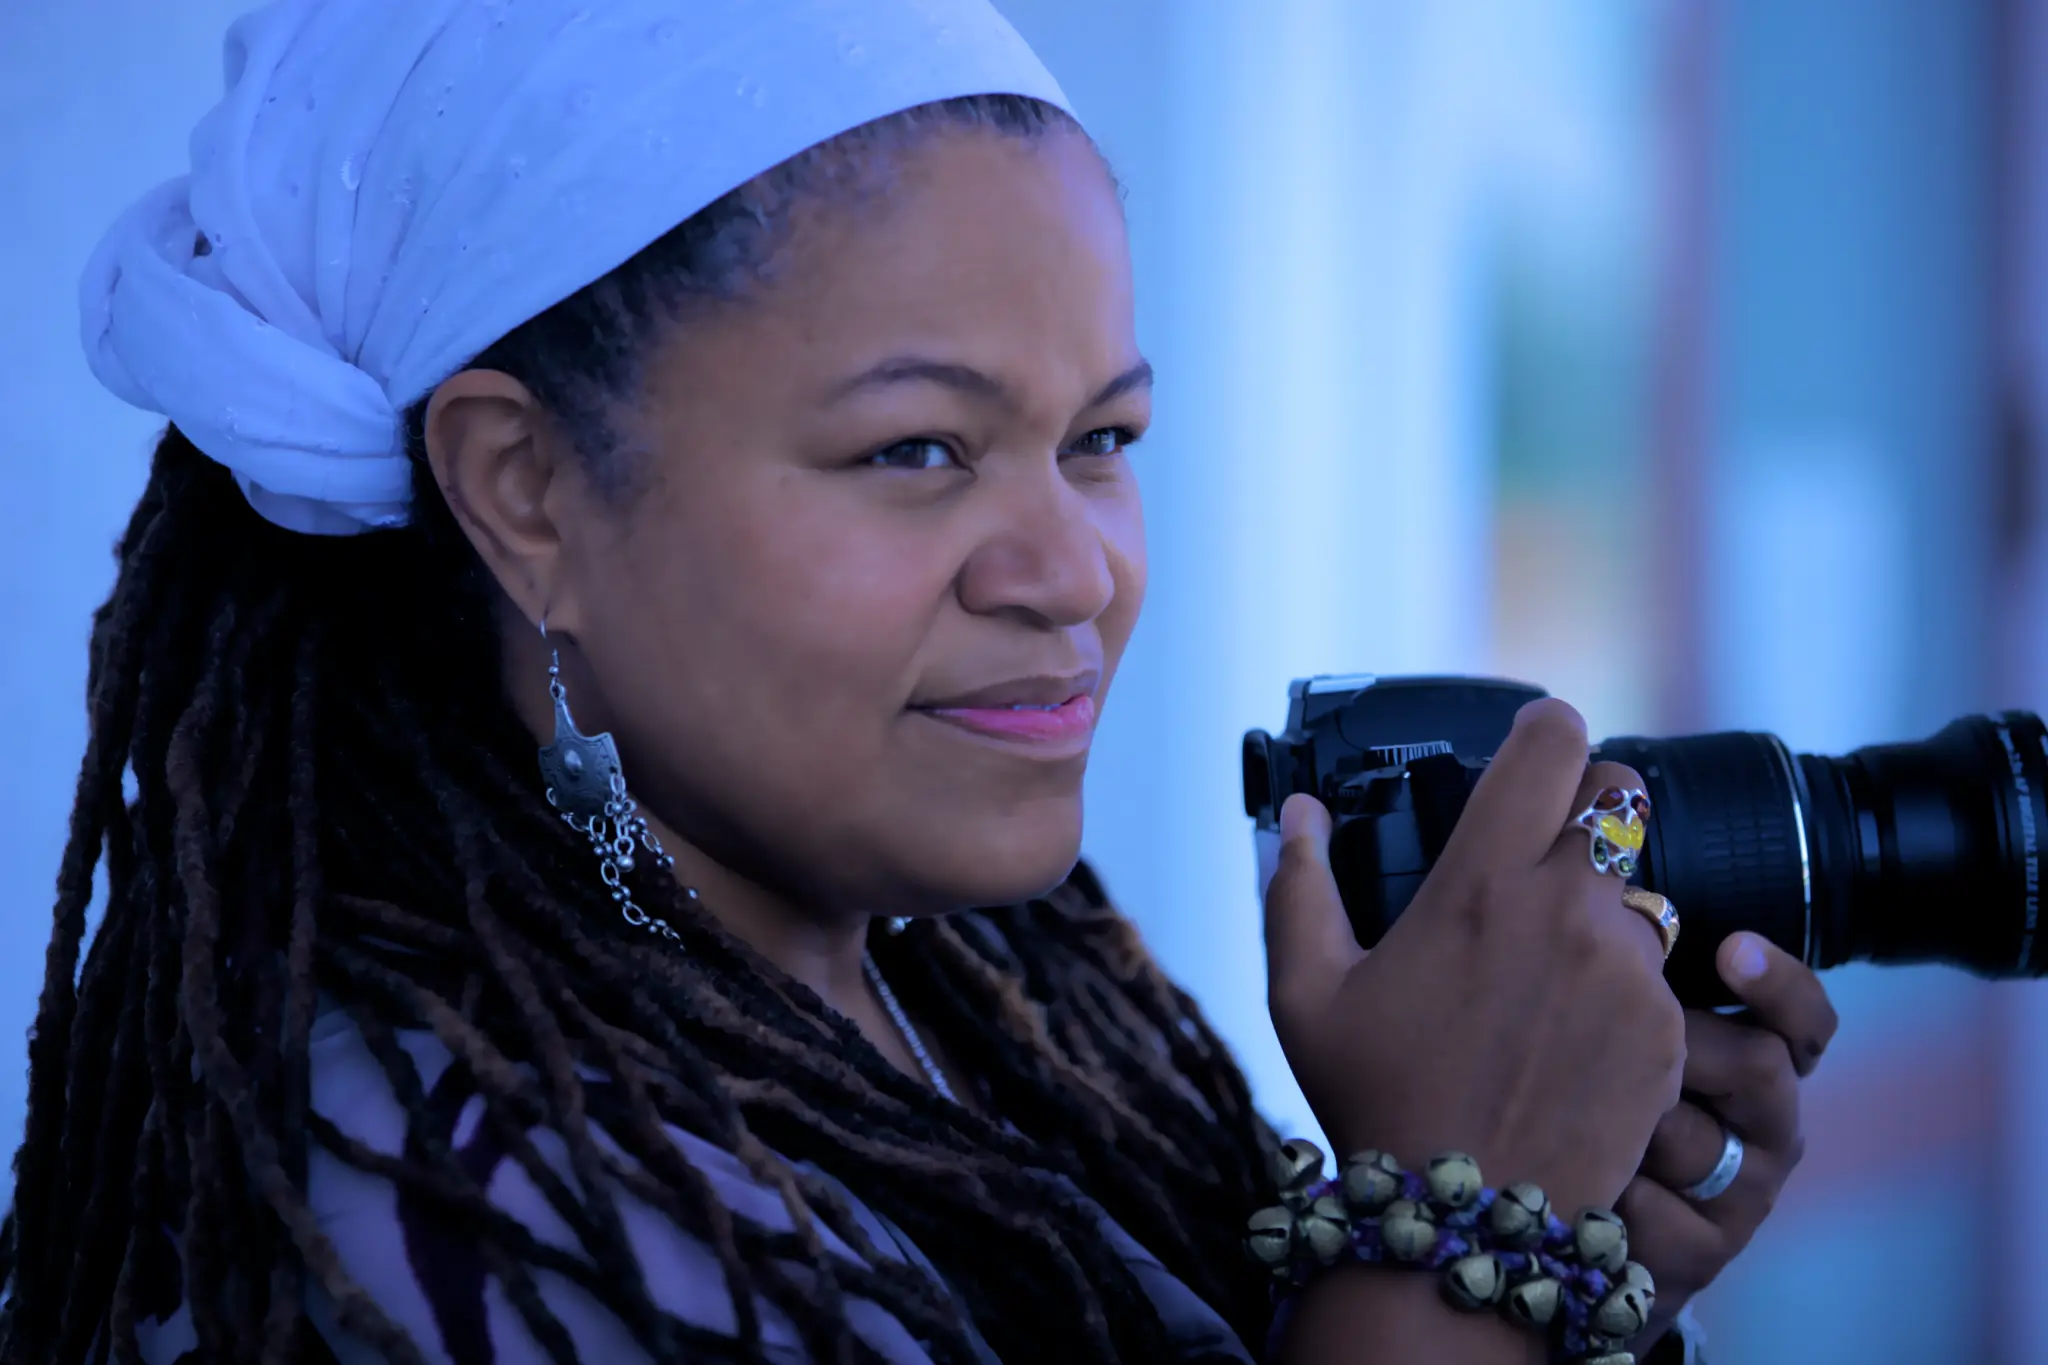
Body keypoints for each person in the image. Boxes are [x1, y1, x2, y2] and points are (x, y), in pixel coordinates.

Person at [3, 1, 1838, 1362]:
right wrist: (1451, 1238)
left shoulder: (925, 992)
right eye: (919, 454)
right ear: (525, 489)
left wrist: (1557, 1264)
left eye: (1102, 440)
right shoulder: (436, 1219)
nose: (1075, 573)